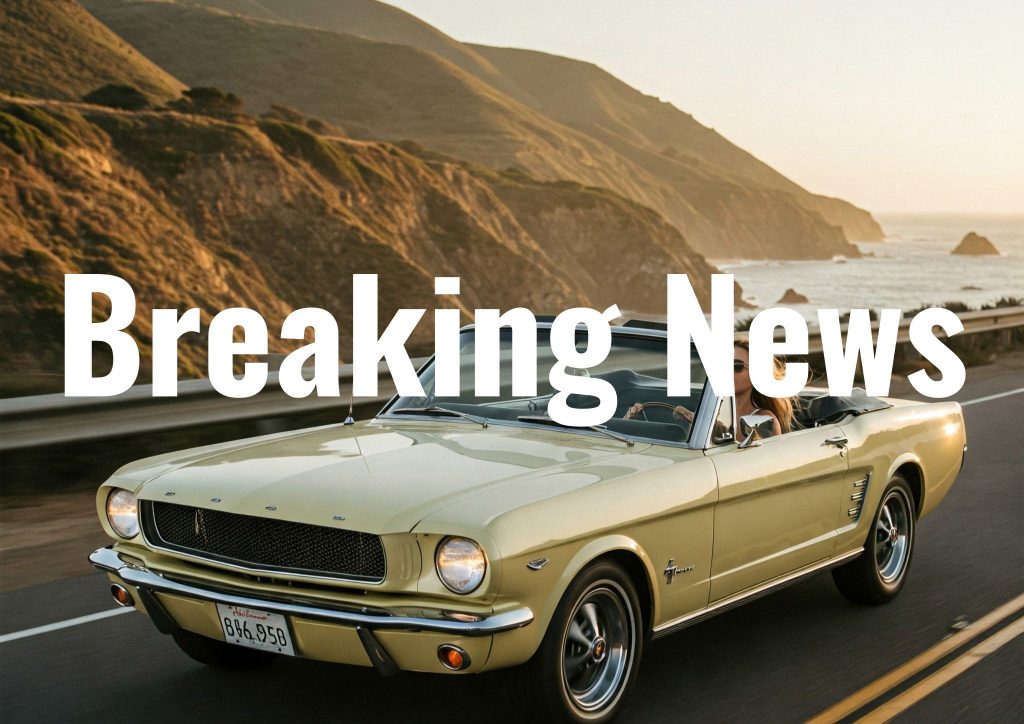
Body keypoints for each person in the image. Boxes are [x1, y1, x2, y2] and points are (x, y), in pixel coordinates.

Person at [623, 340, 796, 441]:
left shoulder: (764, 418)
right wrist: (634, 420)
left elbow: (757, 464)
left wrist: (711, 429)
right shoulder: (708, 409)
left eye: (737, 366)